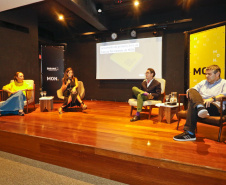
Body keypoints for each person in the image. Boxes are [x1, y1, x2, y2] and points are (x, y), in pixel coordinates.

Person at [173, 65, 226, 141]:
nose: (206, 76)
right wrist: (189, 92)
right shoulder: (203, 82)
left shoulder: (224, 83)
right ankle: (200, 107)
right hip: (202, 104)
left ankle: (190, 133)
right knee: (191, 90)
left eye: (209, 74)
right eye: (206, 74)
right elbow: (192, 90)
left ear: (217, 74)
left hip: (216, 107)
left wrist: (212, 99)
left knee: (192, 103)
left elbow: (224, 95)